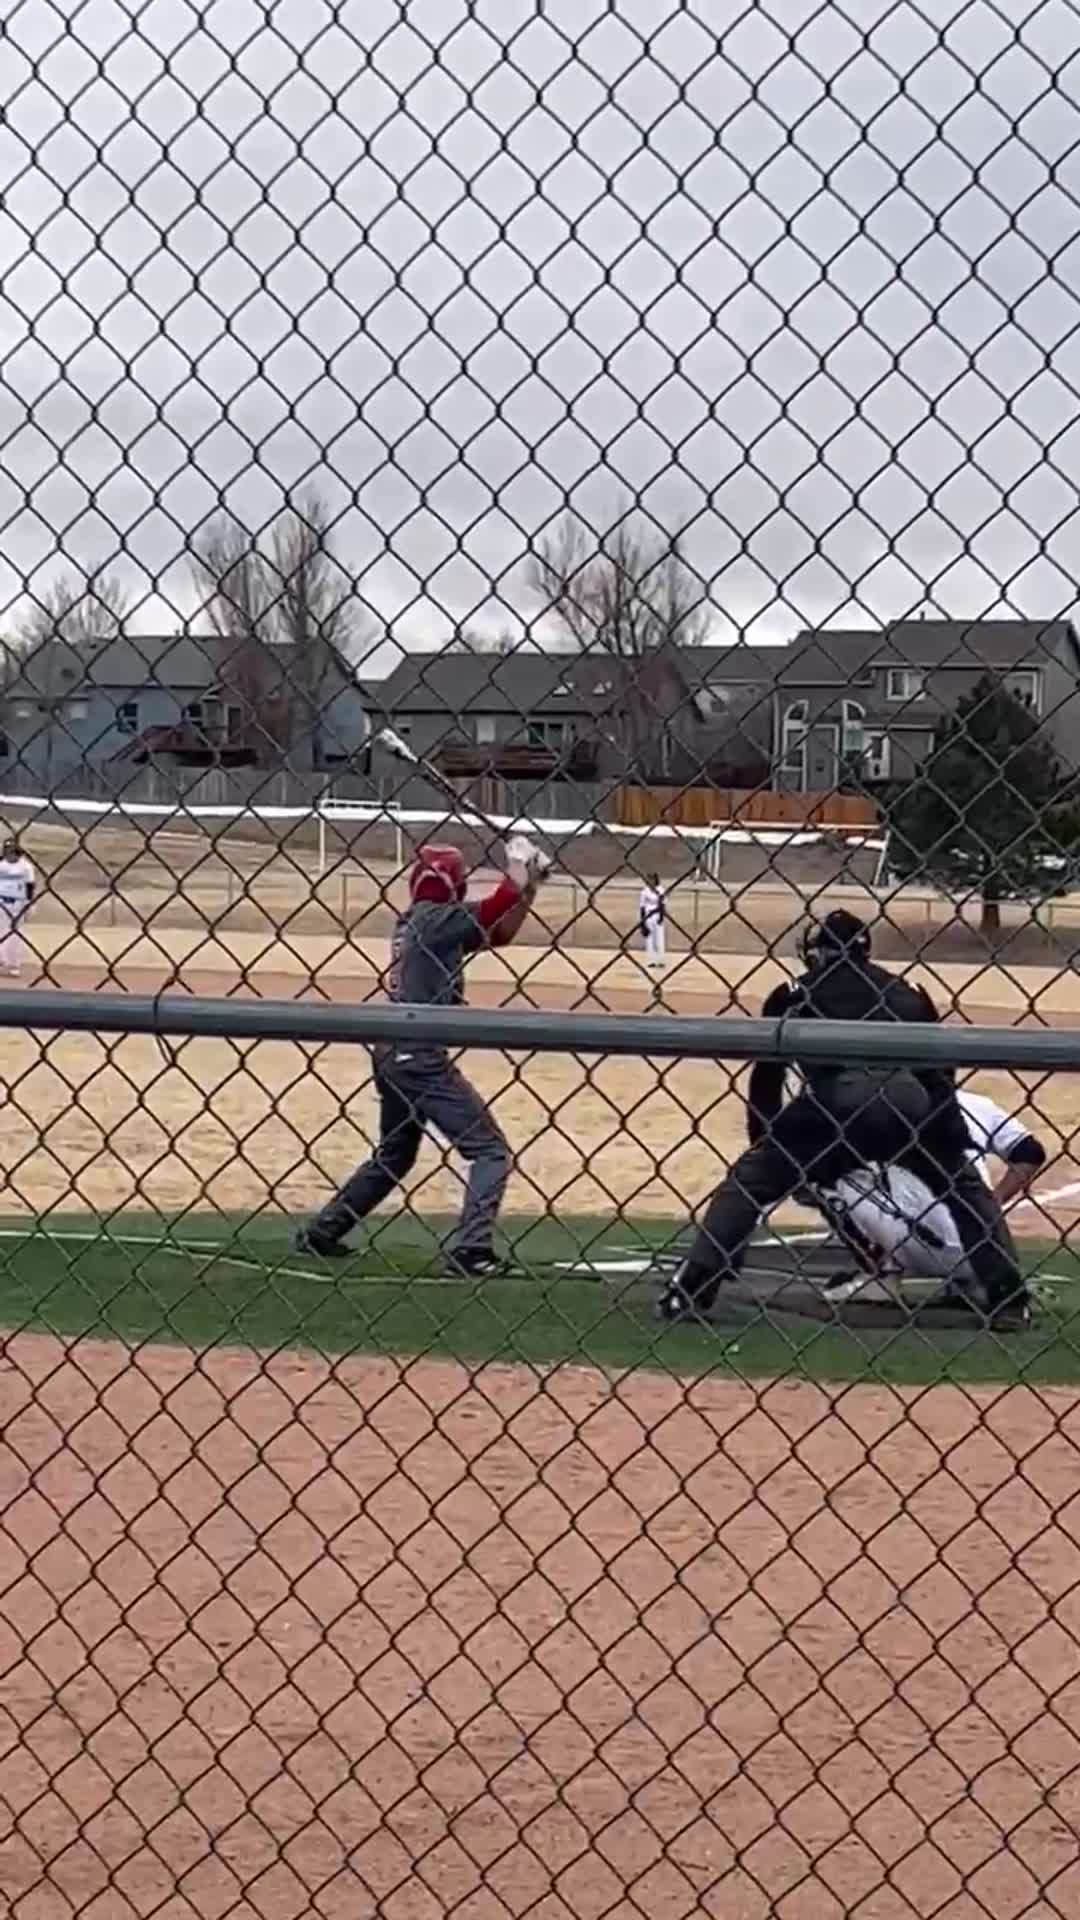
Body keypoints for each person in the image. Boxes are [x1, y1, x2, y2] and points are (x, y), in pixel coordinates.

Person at [657, 908, 1028, 1328]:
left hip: (838, 1098)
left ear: (819, 953)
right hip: (911, 1099)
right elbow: (940, 1074)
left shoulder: (794, 991)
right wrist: (946, 1137)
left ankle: (692, 1288)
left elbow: (767, 1078)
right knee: (965, 1190)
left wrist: (767, 1145)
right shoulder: (910, 990)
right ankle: (1008, 1297)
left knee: (749, 1183)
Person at [298, 837, 549, 1275]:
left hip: (393, 1050)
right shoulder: (436, 920)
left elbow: (500, 932)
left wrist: (528, 887)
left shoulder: (422, 920)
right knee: (489, 1149)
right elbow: (495, 908)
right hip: (419, 1055)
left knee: (396, 1153)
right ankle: (472, 1250)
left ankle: (325, 1230)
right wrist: (517, 866)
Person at [815, 1089, 1046, 1300]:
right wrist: (992, 1203)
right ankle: (975, 1282)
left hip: (918, 1246)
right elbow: (1030, 1152)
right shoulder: (975, 1103)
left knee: (822, 1176)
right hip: (988, 1249)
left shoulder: (879, 1103)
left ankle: (881, 1278)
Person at [0, 836, 35, 978]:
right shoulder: (1, 864)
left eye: (12, 850)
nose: (10, 853)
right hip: (1, 902)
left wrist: (29, 903)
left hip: (17, 904)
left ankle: (14, 964)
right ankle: (1, 960)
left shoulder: (25, 867)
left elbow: (30, 886)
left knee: (15, 935)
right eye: (7, 850)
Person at [638, 872, 666, 969]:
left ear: (656, 880)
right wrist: (642, 922)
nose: (650, 881)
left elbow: (663, 905)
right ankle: (651, 960)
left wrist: (661, 917)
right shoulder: (644, 892)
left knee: (659, 939)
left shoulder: (660, 890)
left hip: (657, 915)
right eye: (649, 879)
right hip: (648, 916)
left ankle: (661, 960)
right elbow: (642, 907)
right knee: (649, 939)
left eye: (652, 879)